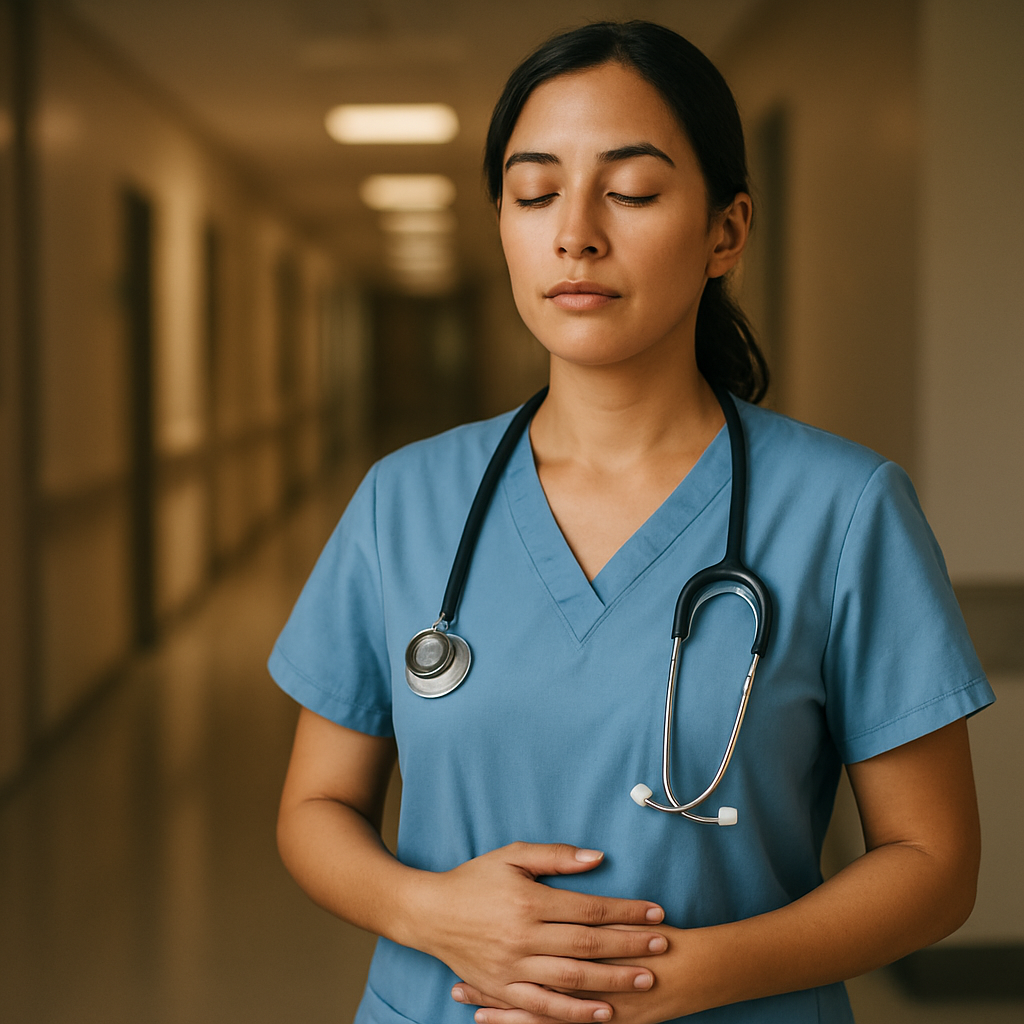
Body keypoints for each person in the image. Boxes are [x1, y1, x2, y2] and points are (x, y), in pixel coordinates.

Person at [270, 21, 993, 1024]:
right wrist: (434, 912)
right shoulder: (405, 502)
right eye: (533, 193)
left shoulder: (842, 510)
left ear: (725, 232)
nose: (576, 230)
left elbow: (934, 862)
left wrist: (677, 977)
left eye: (633, 190)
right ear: (504, 229)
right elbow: (315, 810)